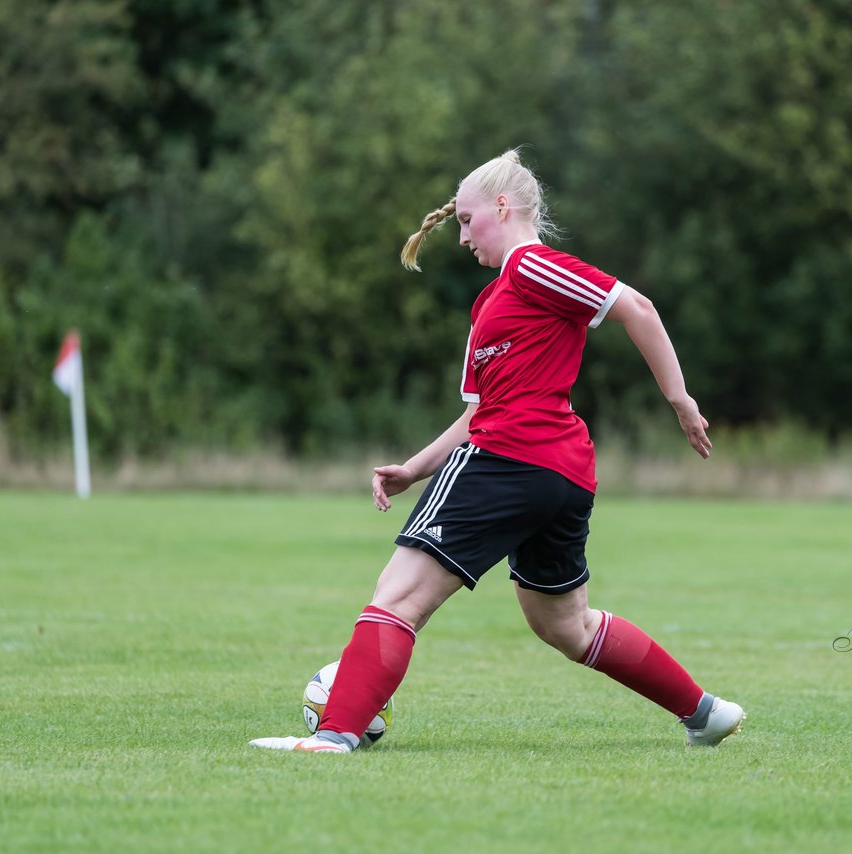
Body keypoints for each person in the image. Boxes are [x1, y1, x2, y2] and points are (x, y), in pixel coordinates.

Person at [250, 149, 744, 753]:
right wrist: (414, 468)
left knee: (398, 596)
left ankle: (335, 735)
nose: (460, 237)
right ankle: (705, 712)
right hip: (560, 473)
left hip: (508, 458)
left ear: (503, 207)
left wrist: (680, 400)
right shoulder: (490, 303)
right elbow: (476, 412)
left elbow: (636, 307)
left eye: (465, 219)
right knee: (566, 624)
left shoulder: (532, 269)